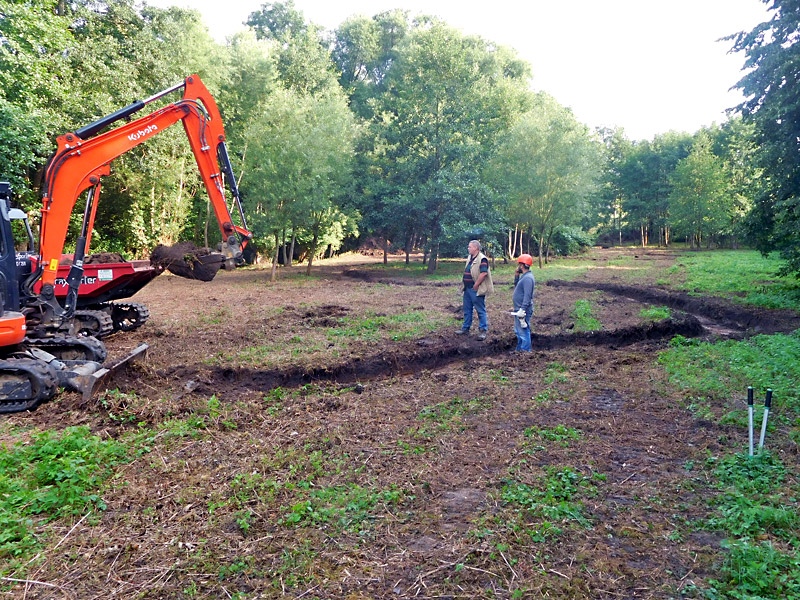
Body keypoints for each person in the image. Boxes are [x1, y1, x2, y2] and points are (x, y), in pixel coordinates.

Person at [457, 240, 493, 340]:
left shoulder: (482, 259)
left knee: (480, 310)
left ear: (476, 248)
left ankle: (483, 331)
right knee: (467, 309)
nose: (468, 248)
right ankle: (465, 329)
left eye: (470, 247)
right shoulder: (470, 258)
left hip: (476, 289)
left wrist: (476, 285)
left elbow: (483, 273)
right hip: (467, 288)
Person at [511, 254, 535, 352]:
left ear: (522, 265)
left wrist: (522, 309)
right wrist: (516, 276)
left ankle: (525, 351)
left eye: (519, 264)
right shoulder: (524, 277)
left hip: (523, 309)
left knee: (523, 331)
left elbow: (527, 296)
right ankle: (519, 350)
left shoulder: (528, 278)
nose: (518, 267)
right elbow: (517, 286)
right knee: (519, 331)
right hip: (520, 308)